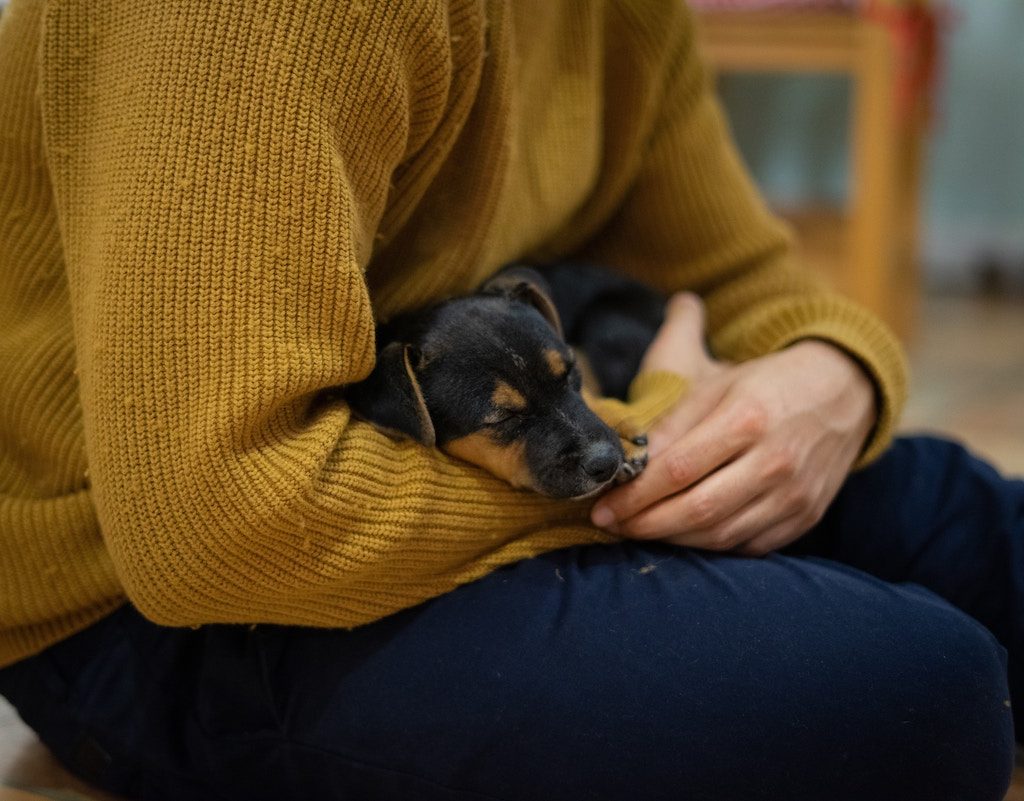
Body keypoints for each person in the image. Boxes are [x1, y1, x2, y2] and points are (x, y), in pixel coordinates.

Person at [0, 0, 1018, 799]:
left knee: (968, 522)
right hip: (155, 606)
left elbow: (740, 277)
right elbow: (214, 530)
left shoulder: (618, 12)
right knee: (917, 695)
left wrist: (831, 377)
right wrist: (643, 435)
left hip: (439, 481)